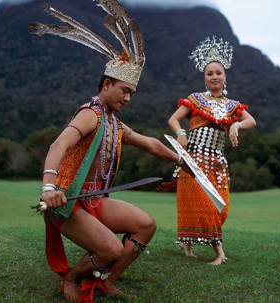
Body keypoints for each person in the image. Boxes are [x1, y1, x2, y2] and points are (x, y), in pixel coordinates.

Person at [29, 1, 193, 302]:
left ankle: (106, 281)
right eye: (125, 91)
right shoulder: (90, 114)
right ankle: (74, 278)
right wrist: (49, 187)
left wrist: (182, 160)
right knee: (111, 248)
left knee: (146, 225)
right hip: (67, 203)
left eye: (132, 93)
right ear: (107, 84)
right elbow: (58, 145)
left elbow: (150, 143)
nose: (129, 98)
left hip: (95, 200)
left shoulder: (114, 124)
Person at [168, 36, 256, 265]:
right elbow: (173, 120)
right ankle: (220, 254)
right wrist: (181, 134)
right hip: (194, 160)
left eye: (218, 72)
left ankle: (186, 244)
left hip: (217, 163)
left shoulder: (231, 105)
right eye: (210, 73)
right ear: (204, 78)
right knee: (206, 204)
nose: (214, 77)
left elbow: (251, 121)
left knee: (221, 207)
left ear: (225, 75)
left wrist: (236, 123)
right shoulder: (195, 100)